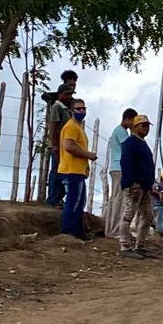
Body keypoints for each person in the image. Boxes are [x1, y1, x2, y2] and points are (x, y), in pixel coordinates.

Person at [118, 114, 156, 259]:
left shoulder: (142, 143)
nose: (146, 128)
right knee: (128, 215)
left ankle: (140, 246)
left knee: (147, 216)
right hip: (135, 186)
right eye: (143, 125)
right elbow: (125, 162)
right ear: (135, 126)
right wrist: (130, 182)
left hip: (145, 188)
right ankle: (125, 246)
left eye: (147, 125)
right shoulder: (131, 142)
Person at [58, 98, 97, 239]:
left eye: (83, 108)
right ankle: (67, 233)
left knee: (79, 202)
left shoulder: (78, 128)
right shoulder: (71, 127)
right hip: (71, 170)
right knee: (73, 202)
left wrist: (85, 166)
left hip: (78, 171)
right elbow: (68, 146)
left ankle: (77, 232)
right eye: (78, 109)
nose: (82, 111)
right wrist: (88, 155)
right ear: (71, 111)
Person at [105, 108, 137, 238]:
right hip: (119, 168)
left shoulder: (120, 131)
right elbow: (128, 148)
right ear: (127, 119)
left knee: (116, 199)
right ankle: (114, 230)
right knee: (118, 199)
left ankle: (112, 228)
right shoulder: (121, 132)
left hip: (117, 168)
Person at [45, 83, 74, 206]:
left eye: (70, 94)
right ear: (60, 94)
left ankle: (59, 198)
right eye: (66, 94)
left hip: (64, 146)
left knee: (62, 172)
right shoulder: (57, 107)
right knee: (56, 171)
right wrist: (55, 145)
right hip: (59, 145)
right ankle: (53, 198)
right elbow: (54, 126)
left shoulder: (65, 109)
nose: (68, 96)